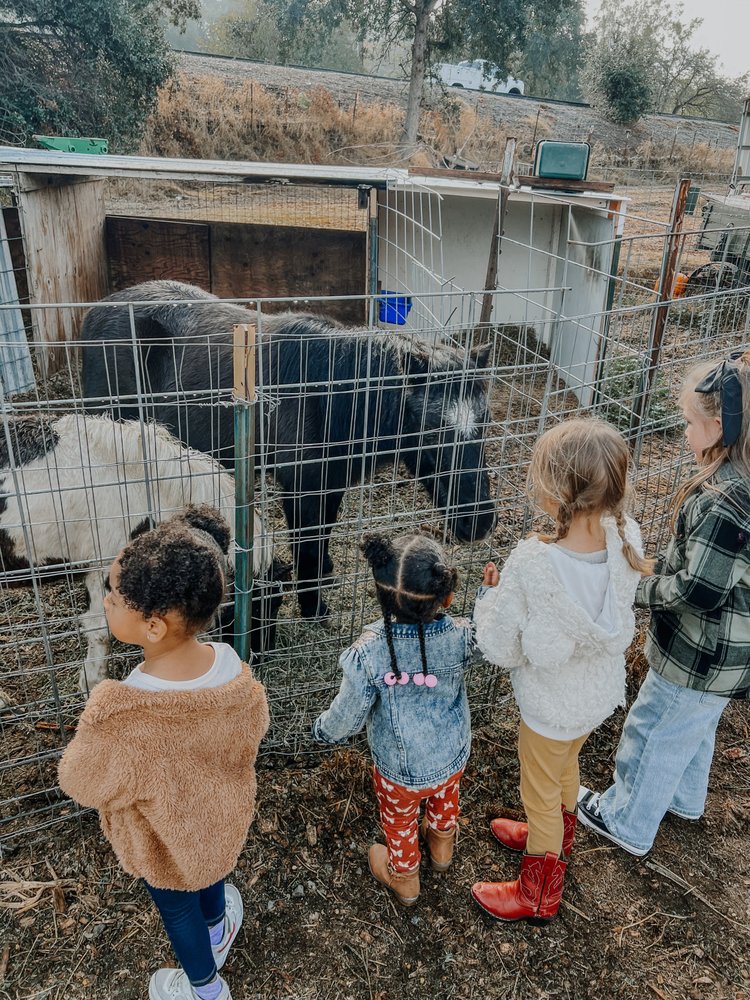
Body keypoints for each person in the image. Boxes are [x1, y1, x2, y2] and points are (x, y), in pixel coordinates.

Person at [58, 505, 270, 1000]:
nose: (105, 599)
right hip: (220, 820)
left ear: (153, 627)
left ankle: (204, 987)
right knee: (211, 871)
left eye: (112, 593)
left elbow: (79, 780)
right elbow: (254, 725)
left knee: (177, 908)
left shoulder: (123, 709)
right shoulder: (230, 666)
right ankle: (219, 926)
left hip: (163, 841)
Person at [471, 418, 650, 923]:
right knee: (565, 768)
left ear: (555, 491)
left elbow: (502, 646)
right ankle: (556, 836)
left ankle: (538, 892)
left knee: (540, 790)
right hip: (593, 698)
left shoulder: (534, 562)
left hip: (551, 708)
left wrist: (488, 598)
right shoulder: (624, 536)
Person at [578, 351, 750, 856]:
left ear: (718, 426)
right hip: (731, 655)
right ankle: (683, 797)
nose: (684, 433)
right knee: (693, 727)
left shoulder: (722, 501)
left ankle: (626, 819)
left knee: (654, 727)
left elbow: (698, 590)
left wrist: (639, 590)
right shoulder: (741, 482)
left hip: (698, 653)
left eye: (689, 423)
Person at [312, 531, 473, 906]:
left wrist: (323, 729)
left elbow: (347, 718)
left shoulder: (369, 654)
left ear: (380, 594)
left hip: (399, 773)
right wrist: (488, 596)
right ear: (446, 596)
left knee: (399, 822)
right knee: (445, 798)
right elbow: (490, 636)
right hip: (451, 758)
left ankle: (405, 879)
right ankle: (442, 849)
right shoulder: (460, 637)